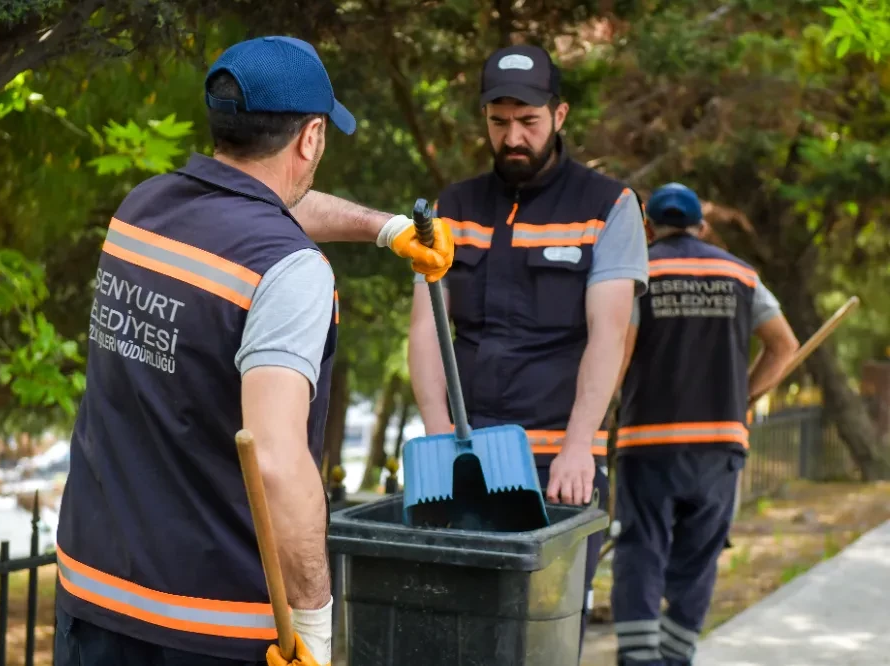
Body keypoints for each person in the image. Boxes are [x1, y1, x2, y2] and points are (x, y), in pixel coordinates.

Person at [53, 36, 454, 666]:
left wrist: (386, 228)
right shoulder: (288, 270)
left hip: (94, 598)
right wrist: (315, 618)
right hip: (211, 627)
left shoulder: (144, 210)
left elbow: (266, 203)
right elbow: (274, 460)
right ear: (311, 137)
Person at [407, 43, 648, 656]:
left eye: (528, 122)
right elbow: (429, 329)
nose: (513, 137)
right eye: (499, 122)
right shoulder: (450, 209)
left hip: (557, 468)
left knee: (546, 634)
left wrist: (578, 446)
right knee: (458, 633)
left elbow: (610, 336)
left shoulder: (608, 207)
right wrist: (440, 437)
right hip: (467, 462)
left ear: (559, 116)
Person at [611, 183, 799, 666]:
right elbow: (784, 346)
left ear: (648, 227)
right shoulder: (740, 274)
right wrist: (746, 396)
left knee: (642, 548)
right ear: (701, 226)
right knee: (701, 553)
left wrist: (606, 405)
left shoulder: (640, 270)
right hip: (720, 443)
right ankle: (675, 655)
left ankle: (639, 659)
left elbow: (620, 353)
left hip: (648, 441)